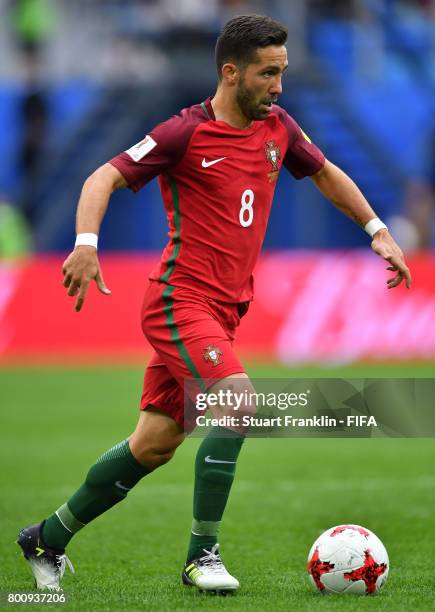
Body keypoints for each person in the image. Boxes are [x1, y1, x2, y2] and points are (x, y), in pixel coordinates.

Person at [17, 14, 411, 594]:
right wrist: (85, 244)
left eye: (282, 72)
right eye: (267, 74)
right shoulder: (184, 133)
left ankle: (47, 537)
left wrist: (376, 227)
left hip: (226, 312)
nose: (278, 86)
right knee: (238, 402)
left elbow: (325, 173)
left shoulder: (279, 128)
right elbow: (102, 177)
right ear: (231, 73)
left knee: (153, 444)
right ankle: (203, 556)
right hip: (180, 300)